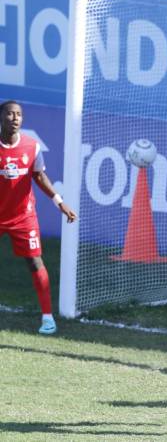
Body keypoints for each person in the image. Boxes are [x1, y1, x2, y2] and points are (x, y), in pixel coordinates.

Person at [0, 100, 77, 334]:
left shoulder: (31, 146)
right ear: (1, 117)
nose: (15, 118)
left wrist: (60, 202)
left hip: (23, 217)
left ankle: (47, 318)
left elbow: (40, 177)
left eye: (19, 115)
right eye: (10, 114)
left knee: (35, 261)